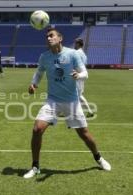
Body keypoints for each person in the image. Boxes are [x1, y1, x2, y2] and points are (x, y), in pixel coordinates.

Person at [23, 28, 111, 179]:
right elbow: (39, 72)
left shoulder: (72, 54)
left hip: (71, 101)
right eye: (47, 36)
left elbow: (85, 73)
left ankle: (98, 158)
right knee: (37, 129)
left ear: (60, 38)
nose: (48, 38)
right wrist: (33, 84)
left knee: (84, 134)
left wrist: (78, 75)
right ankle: (35, 166)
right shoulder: (44, 56)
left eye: (51, 36)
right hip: (53, 100)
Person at [74, 38, 94, 117]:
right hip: (82, 76)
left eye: (75, 43)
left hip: (77, 76)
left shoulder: (76, 53)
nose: (74, 45)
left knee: (77, 95)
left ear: (78, 44)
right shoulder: (84, 54)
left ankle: (86, 112)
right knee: (78, 95)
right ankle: (87, 111)